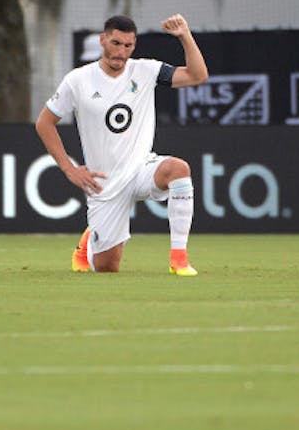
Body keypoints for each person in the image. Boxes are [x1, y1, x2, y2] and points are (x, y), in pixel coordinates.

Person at [35, 14, 208, 274]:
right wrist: (70, 169)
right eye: (116, 43)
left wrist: (185, 35)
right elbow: (44, 123)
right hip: (104, 183)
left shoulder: (146, 70)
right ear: (103, 40)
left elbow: (197, 76)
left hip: (140, 168)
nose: (121, 52)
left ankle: (179, 258)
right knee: (107, 268)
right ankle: (87, 245)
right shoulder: (78, 80)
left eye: (128, 46)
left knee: (179, 169)